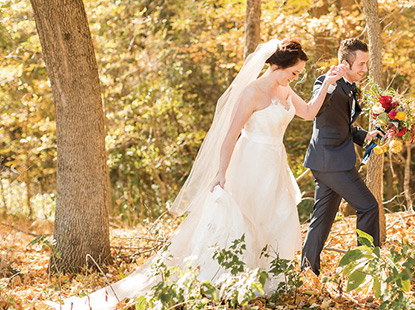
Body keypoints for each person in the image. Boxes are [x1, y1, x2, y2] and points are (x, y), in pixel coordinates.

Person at [48, 39, 346, 310]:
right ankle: (229, 281)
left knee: (277, 217)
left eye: (299, 74)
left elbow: (307, 112)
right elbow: (230, 135)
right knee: (243, 220)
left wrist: (328, 84)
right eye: (294, 72)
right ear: (277, 65)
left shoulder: (285, 90)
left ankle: (269, 282)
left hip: (274, 163)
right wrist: (220, 172)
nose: (296, 78)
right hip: (250, 162)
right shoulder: (252, 92)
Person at [301, 38, 383, 276]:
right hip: (333, 162)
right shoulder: (328, 83)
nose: (364, 70)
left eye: (366, 64)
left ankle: (307, 272)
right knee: (368, 207)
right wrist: (330, 82)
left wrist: (366, 135)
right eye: (361, 64)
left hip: (326, 161)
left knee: (322, 218)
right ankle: (367, 269)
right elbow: (318, 104)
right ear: (345, 64)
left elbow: (342, 124)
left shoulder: (349, 86)